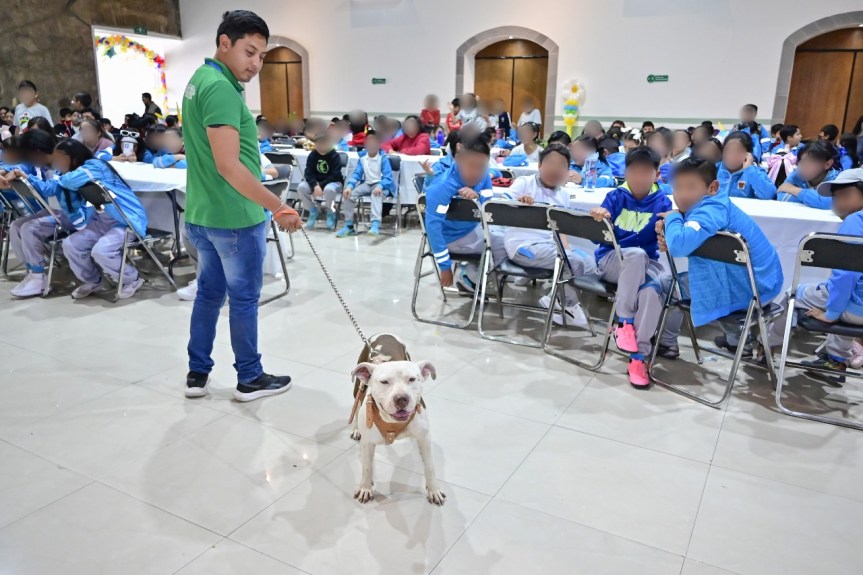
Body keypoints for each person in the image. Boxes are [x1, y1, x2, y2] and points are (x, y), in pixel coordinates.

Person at [181, 9, 301, 402]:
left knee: (208, 295)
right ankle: (250, 377)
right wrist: (278, 206)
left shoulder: (201, 79)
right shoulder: (219, 88)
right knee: (244, 300)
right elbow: (228, 166)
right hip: (233, 216)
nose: (256, 64)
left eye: (262, 56)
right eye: (249, 52)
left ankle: (197, 373)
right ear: (224, 43)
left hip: (203, 214)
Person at [658, 157, 783, 358]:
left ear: (713, 187)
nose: (682, 194)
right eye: (677, 187)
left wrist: (673, 217)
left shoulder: (710, 210)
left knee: (666, 285)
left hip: (753, 288)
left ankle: (666, 343)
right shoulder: (717, 203)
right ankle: (737, 341)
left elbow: (678, 246)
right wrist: (671, 227)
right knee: (700, 276)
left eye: (691, 187)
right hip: (760, 283)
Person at [589, 147, 672, 388]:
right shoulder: (615, 197)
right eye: (634, 172)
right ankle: (624, 321)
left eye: (645, 172)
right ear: (625, 172)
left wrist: (669, 227)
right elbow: (596, 239)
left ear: (657, 175)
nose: (639, 177)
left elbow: (666, 241)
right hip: (611, 261)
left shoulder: (663, 202)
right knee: (635, 254)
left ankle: (638, 358)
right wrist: (599, 218)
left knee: (651, 292)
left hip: (646, 264)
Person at [776, 168, 863, 384]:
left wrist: (831, 313)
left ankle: (764, 346)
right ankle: (835, 360)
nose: (837, 203)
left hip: (856, 306)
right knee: (835, 295)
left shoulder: (855, 221)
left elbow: (846, 274)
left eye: (844, 196)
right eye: (835, 197)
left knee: (793, 293)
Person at [503, 144, 593, 326]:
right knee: (572, 262)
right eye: (551, 163)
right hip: (524, 247)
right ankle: (566, 304)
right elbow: (499, 204)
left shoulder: (563, 195)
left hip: (550, 246)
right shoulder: (524, 183)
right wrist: (518, 203)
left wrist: (568, 251)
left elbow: (561, 230)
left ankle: (555, 298)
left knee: (589, 264)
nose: (555, 169)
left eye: (561, 165)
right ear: (540, 166)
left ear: (567, 171)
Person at [424, 136, 506, 293]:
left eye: (481, 166)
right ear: (458, 160)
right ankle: (470, 277)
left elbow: (488, 201)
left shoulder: (484, 176)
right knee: (504, 245)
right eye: (471, 166)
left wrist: (477, 196)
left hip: (473, 227)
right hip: (451, 239)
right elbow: (433, 228)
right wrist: (445, 266)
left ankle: (479, 273)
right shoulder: (442, 186)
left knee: (509, 234)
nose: (476, 172)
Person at [336, 131, 394, 238]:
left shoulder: (383, 158)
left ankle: (375, 224)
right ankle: (349, 225)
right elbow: (357, 174)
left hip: (382, 185)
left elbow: (388, 178)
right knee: (349, 195)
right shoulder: (362, 158)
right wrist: (349, 186)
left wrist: (380, 186)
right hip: (368, 184)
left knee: (376, 194)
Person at [298, 130, 344, 229]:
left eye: (324, 144)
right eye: (318, 144)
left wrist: (321, 185)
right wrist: (315, 185)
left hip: (334, 182)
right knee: (301, 187)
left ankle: (330, 212)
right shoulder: (312, 155)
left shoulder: (334, 156)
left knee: (329, 189)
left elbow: (335, 175)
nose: (321, 147)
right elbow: (308, 173)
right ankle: (313, 211)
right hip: (317, 183)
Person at [777, 140, 840, 209]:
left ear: (827, 164)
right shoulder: (796, 174)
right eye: (802, 161)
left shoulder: (836, 179)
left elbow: (833, 202)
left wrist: (795, 190)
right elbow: (781, 196)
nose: (803, 167)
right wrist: (815, 200)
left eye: (810, 162)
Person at [716, 132, 775, 200]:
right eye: (728, 150)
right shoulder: (714, 169)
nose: (731, 155)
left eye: (738, 151)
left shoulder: (755, 172)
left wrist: (749, 170)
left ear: (748, 154)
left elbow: (769, 195)